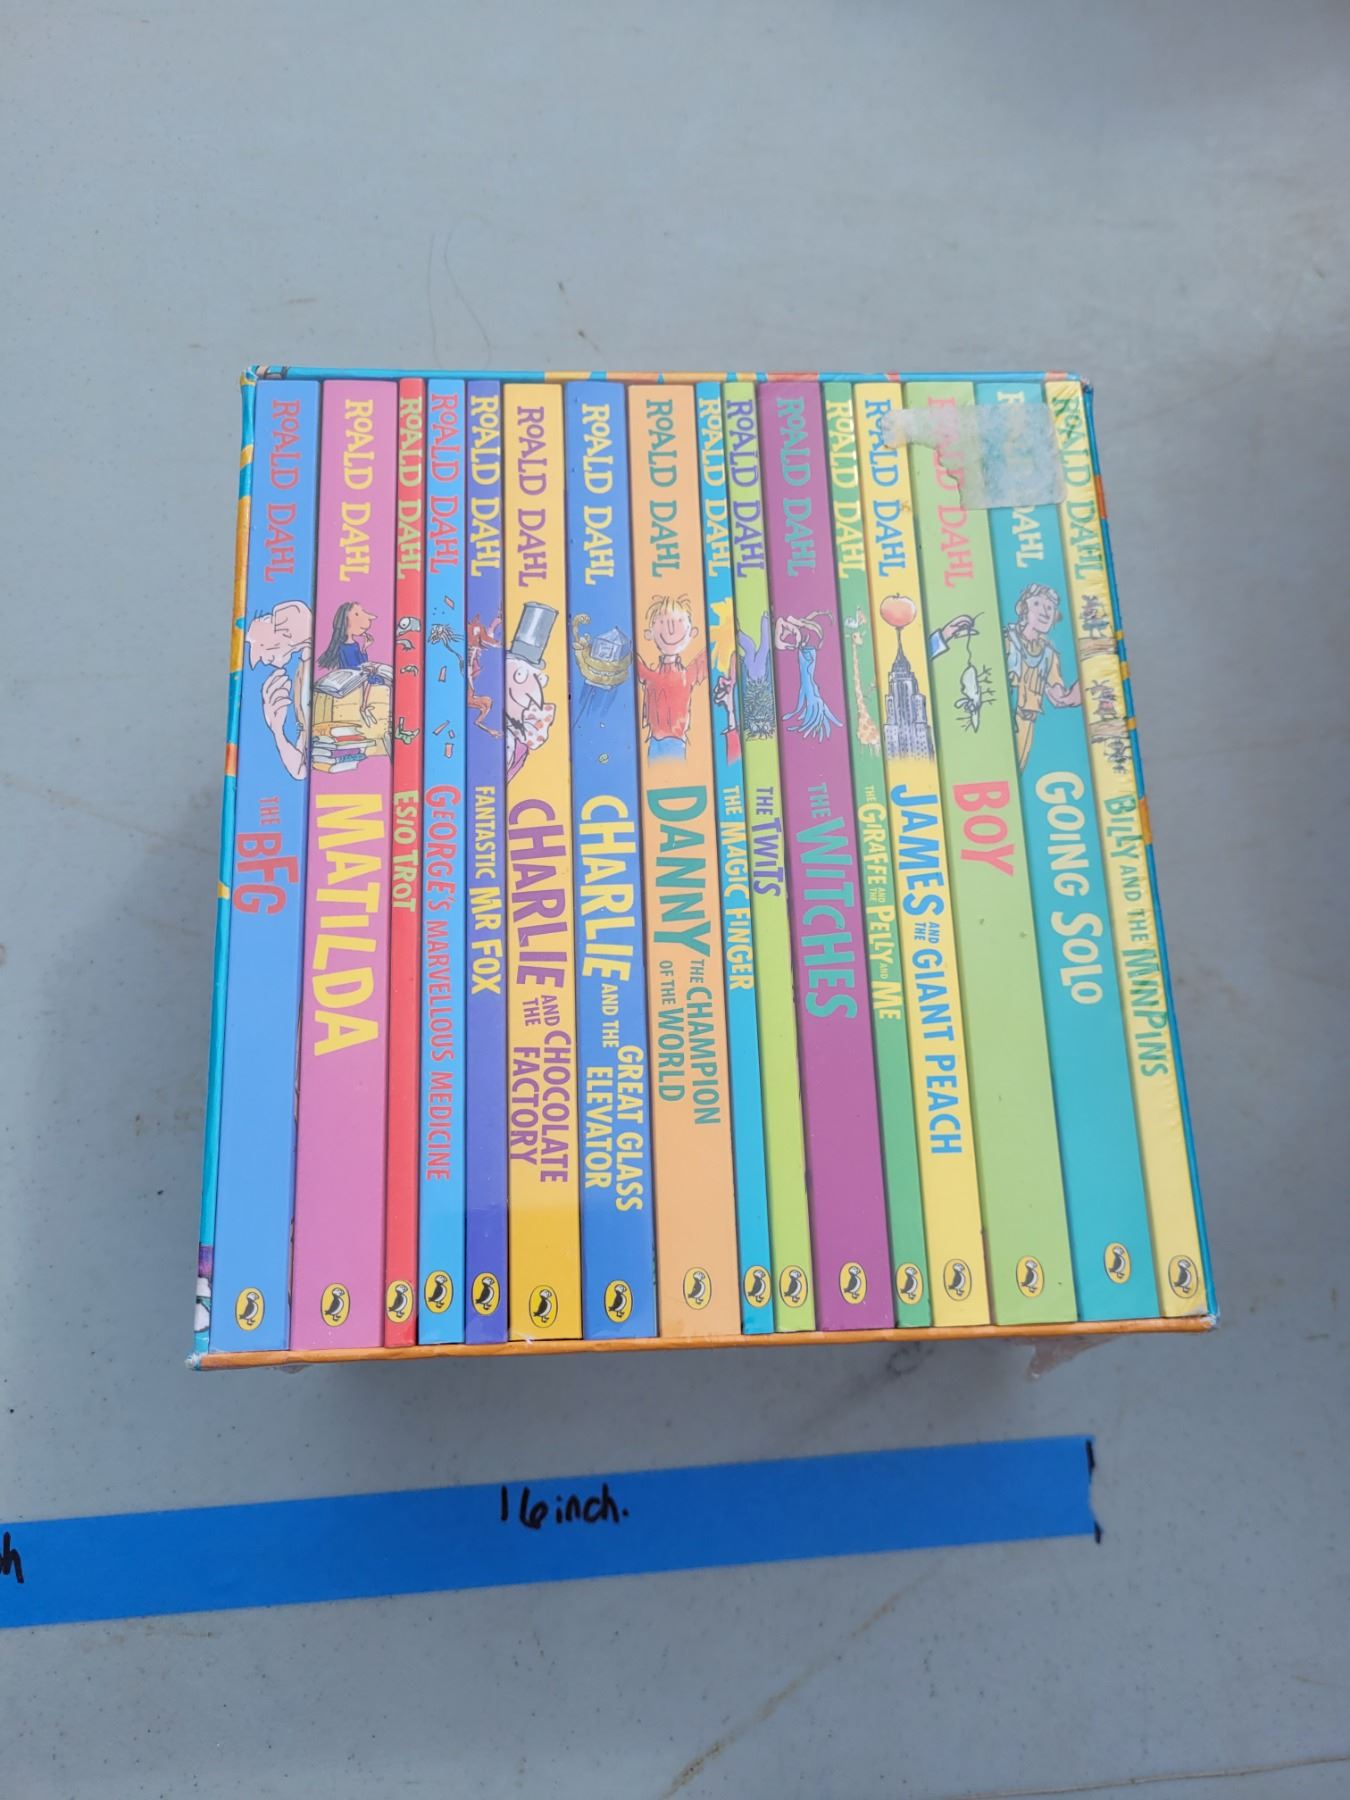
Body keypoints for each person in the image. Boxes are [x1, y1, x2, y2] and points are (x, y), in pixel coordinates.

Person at [1003, 583, 1081, 769]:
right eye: (1037, 604)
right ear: (1024, 608)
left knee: (1016, 771)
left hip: (1026, 724)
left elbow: (1057, 693)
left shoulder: (1049, 654)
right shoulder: (1006, 638)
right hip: (1001, 717)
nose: (1044, 612)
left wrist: (1076, 693)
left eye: (1049, 608)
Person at [244, 600, 313, 781]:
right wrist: (277, 729)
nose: (262, 659)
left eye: (262, 645)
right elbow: (300, 770)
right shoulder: (302, 674)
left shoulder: (326, 659)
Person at [636, 595, 707, 760]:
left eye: (680, 621)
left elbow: (705, 658)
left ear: (692, 633)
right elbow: (637, 667)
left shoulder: (686, 675)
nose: (670, 628)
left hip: (676, 741)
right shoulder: (652, 676)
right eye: (661, 622)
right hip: (654, 740)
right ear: (649, 634)